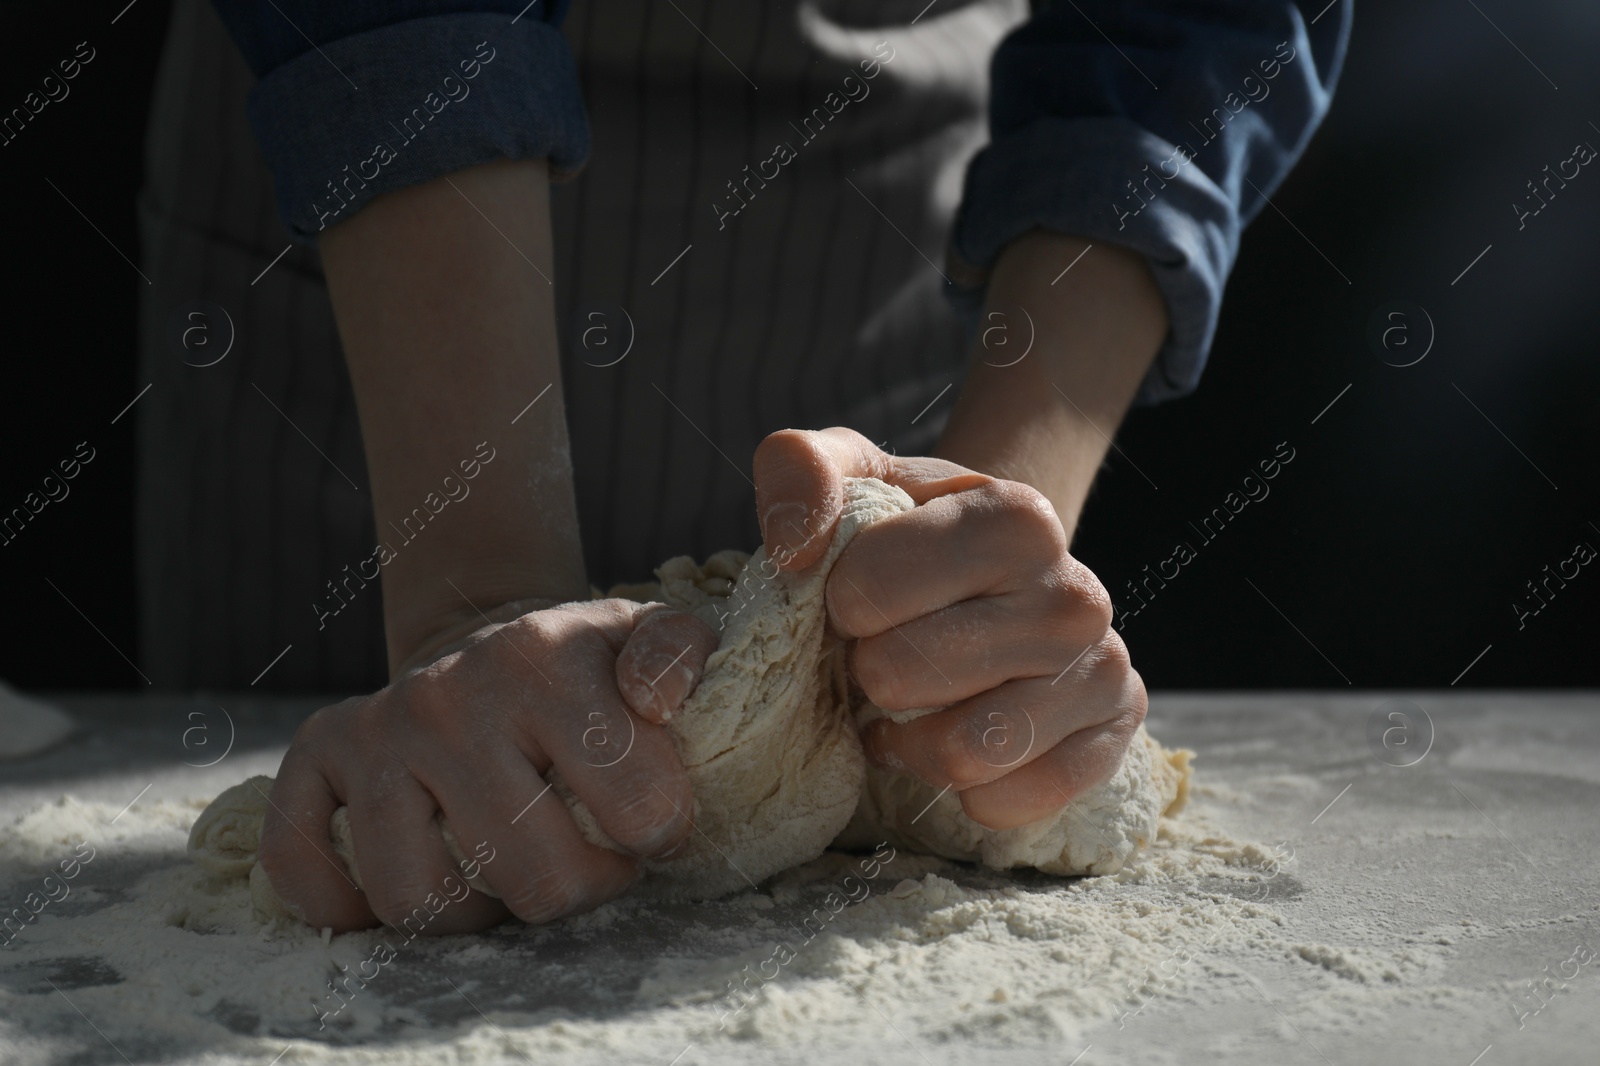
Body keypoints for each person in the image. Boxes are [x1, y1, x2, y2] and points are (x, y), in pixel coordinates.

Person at [143, 0, 1348, 931]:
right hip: (372, 221)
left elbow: (1188, 30)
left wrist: (967, 579)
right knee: (386, 847)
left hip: (867, 222)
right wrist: (469, 592)